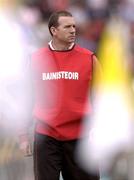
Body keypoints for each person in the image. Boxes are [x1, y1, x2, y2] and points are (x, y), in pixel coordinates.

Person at [19, 10, 102, 180]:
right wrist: (23, 136)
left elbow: (102, 98)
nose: (73, 30)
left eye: (74, 26)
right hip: (46, 137)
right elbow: (26, 99)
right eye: (67, 27)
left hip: (81, 138)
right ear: (53, 31)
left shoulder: (89, 59)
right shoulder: (36, 59)